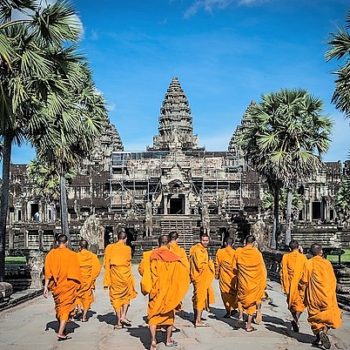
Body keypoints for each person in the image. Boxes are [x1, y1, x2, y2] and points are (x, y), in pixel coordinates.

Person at [147, 234, 189, 350]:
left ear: (158, 242)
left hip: (156, 290)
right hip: (169, 291)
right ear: (168, 243)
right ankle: (168, 340)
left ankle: (153, 341)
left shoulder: (152, 255)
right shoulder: (174, 257)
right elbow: (183, 272)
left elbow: (144, 271)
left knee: (153, 315)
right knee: (169, 316)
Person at [298, 243, 342, 349]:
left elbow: (303, 281)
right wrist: (331, 292)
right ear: (321, 252)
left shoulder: (309, 263)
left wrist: (302, 294)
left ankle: (319, 337)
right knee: (330, 316)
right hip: (327, 295)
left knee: (315, 317)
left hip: (314, 296)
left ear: (311, 253)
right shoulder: (327, 263)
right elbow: (333, 280)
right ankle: (323, 332)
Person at [44, 234, 81, 341]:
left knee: (61, 308)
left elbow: (48, 272)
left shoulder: (51, 254)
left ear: (57, 242)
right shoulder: (73, 255)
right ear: (67, 242)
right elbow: (77, 272)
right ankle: (60, 332)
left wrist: (45, 287)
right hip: (68, 285)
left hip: (57, 286)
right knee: (64, 309)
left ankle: (62, 329)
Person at [104, 231, 137, 329]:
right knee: (126, 296)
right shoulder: (128, 249)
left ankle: (119, 322)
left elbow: (106, 263)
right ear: (125, 239)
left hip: (115, 275)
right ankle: (123, 316)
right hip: (125, 275)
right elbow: (128, 261)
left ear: (117, 238)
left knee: (116, 298)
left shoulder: (110, 247)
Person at [233, 235, 267, 332]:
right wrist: (263, 282)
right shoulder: (257, 254)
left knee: (241, 298)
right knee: (252, 301)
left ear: (245, 241)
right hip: (254, 282)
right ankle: (248, 325)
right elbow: (262, 269)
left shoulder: (239, 252)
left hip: (243, 281)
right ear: (254, 243)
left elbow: (234, 267)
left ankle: (240, 317)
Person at [280, 240, 307, 332]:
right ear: (298, 247)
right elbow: (306, 271)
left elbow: (283, 271)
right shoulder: (303, 258)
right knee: (301, 304)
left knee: (291, 304)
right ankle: (296, 319)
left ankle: (295, 320)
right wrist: (302, 253)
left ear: (289, 248)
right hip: (301, 285)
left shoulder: (285, 257)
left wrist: (284, 284)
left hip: (290, 285)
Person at [189, 233, 215, 327]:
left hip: (201, 277)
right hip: (200, 277)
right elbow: (200, 265)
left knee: (198, 297)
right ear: (200, 240)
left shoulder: (201, 249)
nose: (205, 242)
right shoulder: (198, 250)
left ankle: (196, 317)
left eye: (206, 240)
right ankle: (198, 321)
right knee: (200, 298)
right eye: (203, 240)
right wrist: (209, 264)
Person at [76, 239, 101, 322]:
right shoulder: (92, 256)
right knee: (86, 298)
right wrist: (92, 278)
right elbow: (97, 268)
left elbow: (72, 267)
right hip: (88, 279)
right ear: (87, 247)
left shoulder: (76, 256)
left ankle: (79, 309)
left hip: (78, 279)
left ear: (79, 247)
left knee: (77, 295)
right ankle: (84, 316)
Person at [215, 237, 238, 318]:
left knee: (225, 293)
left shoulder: (220, 252)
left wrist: (216, 274)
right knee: (234, 292)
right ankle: (234, 307)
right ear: (233, 244)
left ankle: (228, 310)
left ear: (225, 243)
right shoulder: (236, 253)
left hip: (224, 276)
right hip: (234, 277)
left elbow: (217, 264)